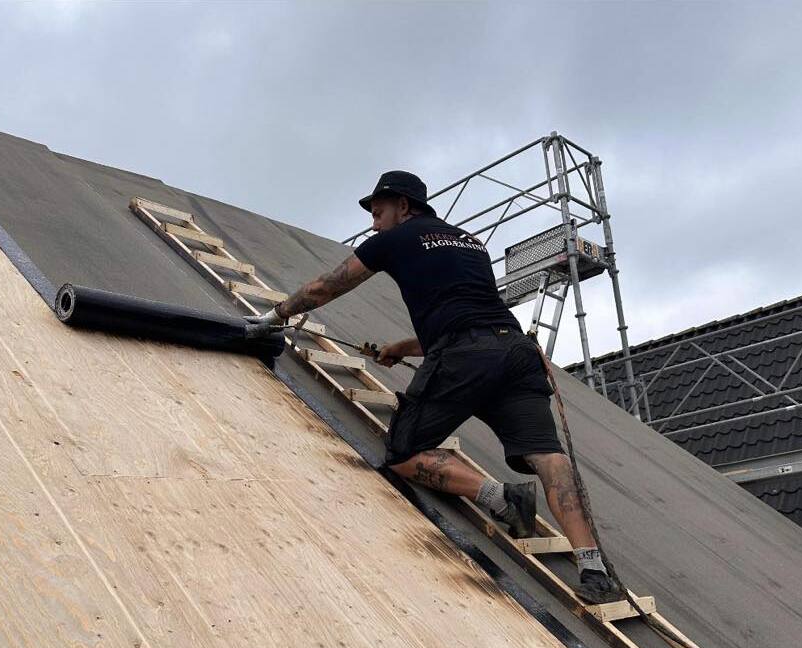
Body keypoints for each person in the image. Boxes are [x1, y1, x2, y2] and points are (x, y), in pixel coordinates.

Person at [246, 170, 622, 604]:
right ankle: (593, 566)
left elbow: (330, 285)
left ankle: (500, 498)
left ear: (404, 207)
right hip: (516, 352)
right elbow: (469, 316)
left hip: (465, 357)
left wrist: (275, 317)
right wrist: (401, 347)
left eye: (380, 212)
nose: (374, 224)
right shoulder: (471, 244)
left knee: (403, 453)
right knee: (549, 458)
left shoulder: (396, 239)